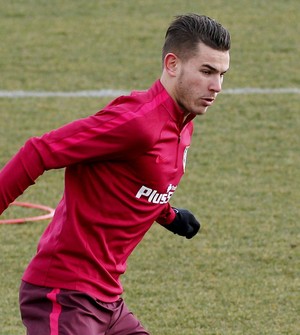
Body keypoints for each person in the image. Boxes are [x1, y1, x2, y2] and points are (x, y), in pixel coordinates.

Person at [0, 13, 230, 335]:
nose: (217, 86)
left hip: (108, 302)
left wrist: (170, 216)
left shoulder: (183, 125)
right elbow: (39, 151)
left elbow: (138, 183)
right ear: (172, 64)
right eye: (206, 71)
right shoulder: (137, 122)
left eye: (221, 74)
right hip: (64, 295)